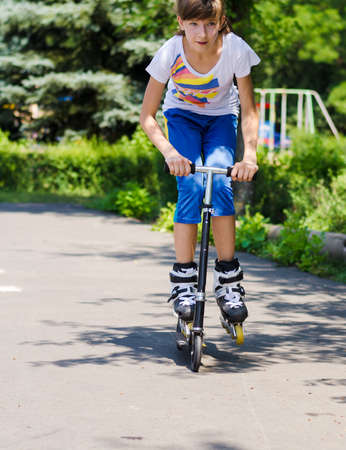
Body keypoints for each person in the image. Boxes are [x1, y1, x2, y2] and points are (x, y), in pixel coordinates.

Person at [140, 0, 259, 325]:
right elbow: (147, 116)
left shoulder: (235, 49)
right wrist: (170, 152)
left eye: (210, 24)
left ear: (221, 21)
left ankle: (228, 283)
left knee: (219, 184)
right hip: (182, 117)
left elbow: (249, 108)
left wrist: (249, 154)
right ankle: (183, 284)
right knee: (191, 186)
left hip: (221, 118)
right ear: (181, 22)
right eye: (194, 25)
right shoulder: (170, 52)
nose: (202, 33)